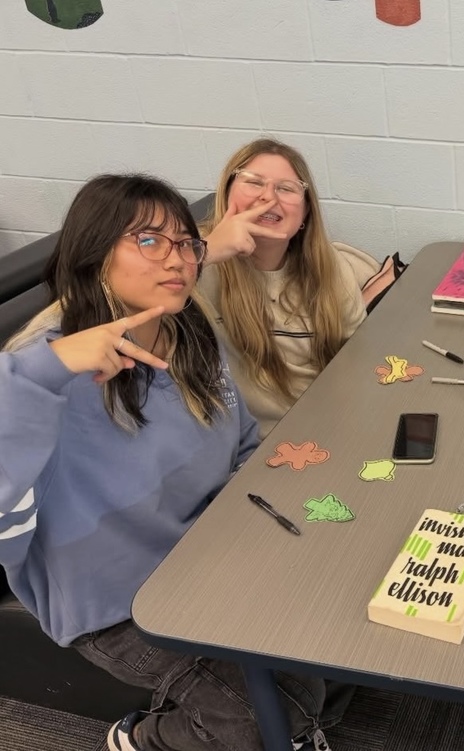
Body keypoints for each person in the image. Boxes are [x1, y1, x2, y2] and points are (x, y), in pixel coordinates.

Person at [0, 175, 342, 751]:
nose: (178, 259)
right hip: (117, 605)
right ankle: (138, 740)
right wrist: (48, 368)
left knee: (319, 652)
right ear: (93, 256)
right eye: (151, 241)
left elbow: (240, 439)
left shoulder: (189, 332)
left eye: (187, 243)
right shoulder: (46, 369)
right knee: (261, 722)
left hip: (204, 556)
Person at [198, 138, 380, 438]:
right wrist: (206, 253)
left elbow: (357, 357)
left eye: (286, 188)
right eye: (254, 183)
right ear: (226, 193)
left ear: (306, 213)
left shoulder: (329, 266)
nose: (268, 197)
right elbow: (124, 300)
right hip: (252, 448)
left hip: (329, 427)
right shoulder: (193, 264)